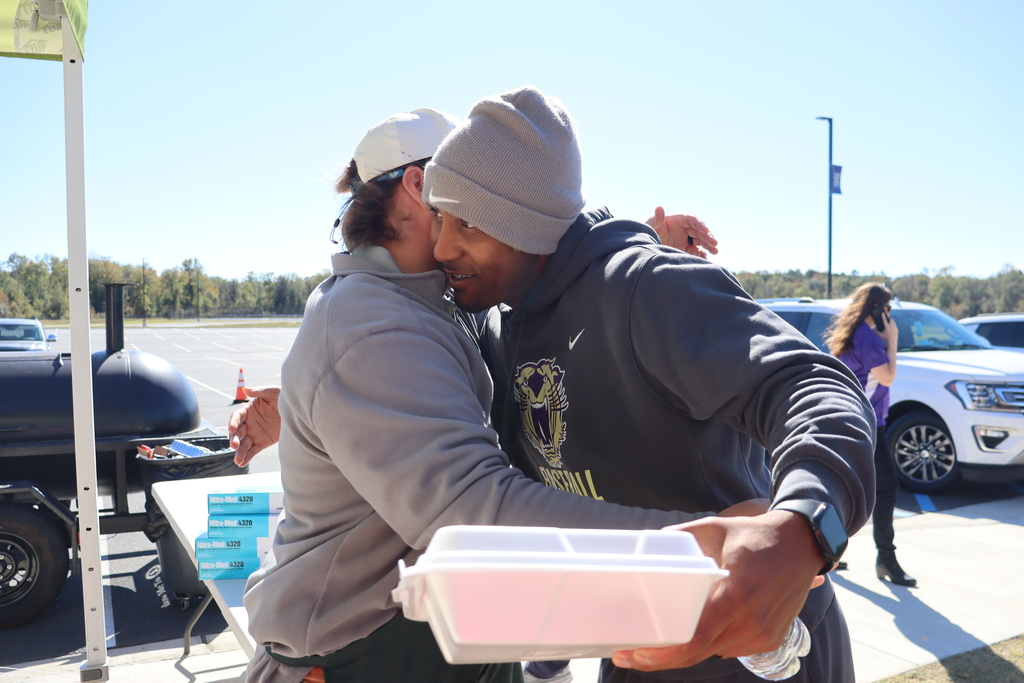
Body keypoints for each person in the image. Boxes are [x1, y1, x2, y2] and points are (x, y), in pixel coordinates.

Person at [239, 106, 748, 683]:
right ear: (418, 184)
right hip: (364, 646)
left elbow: (532, 250)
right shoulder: (370, 326)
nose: (489, 214)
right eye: (470, 195)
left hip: (430, 633)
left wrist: (636, 243)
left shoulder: (425, 298)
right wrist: (710, 545)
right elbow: (474, 514)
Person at [421, 86, 877, 682]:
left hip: (755, 643)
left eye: (469, 224)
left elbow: (814, 387)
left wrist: (804, 527)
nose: (441, 245)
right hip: (636, 648)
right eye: (438, 215)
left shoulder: (646, 288)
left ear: (528, 226)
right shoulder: (508, 324)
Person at [825, 283, 916, 587]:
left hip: (851, 420)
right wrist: (892, 341)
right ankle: (886, 560)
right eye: (888, 310)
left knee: (839, 489)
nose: (890, 317)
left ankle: (826, 551)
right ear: (877, 309)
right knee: (886, 489)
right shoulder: (870, 339)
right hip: (866, 424)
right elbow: (887, 376)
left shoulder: (856, 334)